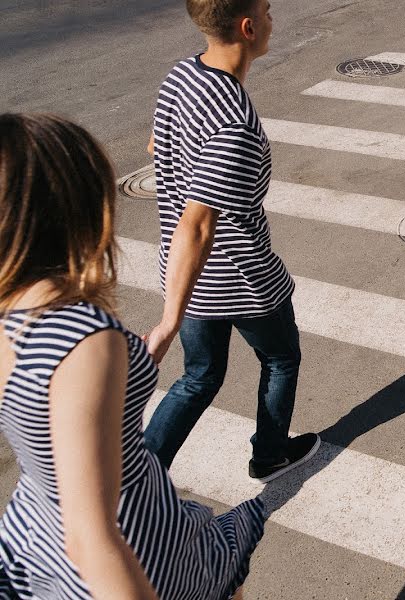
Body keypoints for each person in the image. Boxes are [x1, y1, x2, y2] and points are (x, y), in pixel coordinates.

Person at [0, 113, 264, 599]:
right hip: (134, 543)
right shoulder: (81, 336)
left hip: (35, 532)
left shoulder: (12, 313)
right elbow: (92, 538)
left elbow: (44, 413)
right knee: (228, 572)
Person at [143, 0, 319, 481]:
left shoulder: (181, 76)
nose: (271, 17)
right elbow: (198, 225)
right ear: (247, 27)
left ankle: (136, 480)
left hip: (188, 276)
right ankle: (269, 454)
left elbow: (157, 146)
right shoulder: (234, 124)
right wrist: (167, 323)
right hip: (241, 278)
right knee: (281, 357)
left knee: (198, 377)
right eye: (266, 10)